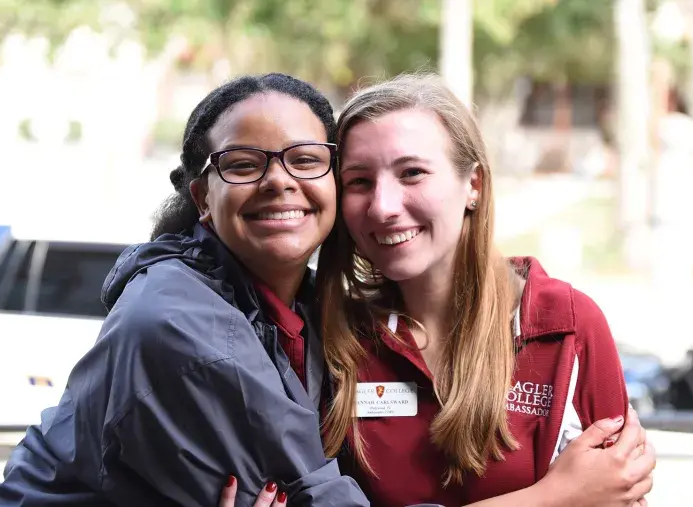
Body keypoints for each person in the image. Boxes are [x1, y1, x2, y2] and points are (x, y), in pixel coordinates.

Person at [219, 74, 655, 507]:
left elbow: (620, 494)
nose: (383, 207)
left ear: (474, 186)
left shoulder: (565, 324)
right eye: (359, 181)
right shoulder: (331, 338)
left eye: (412, 173)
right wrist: (557, 496)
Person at [0, 73, 369, 507]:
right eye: (243, 164)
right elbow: (314, 495)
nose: (279, 180)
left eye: (305, 160)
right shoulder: (181, 323)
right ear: (203, 199)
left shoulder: (307, 308)